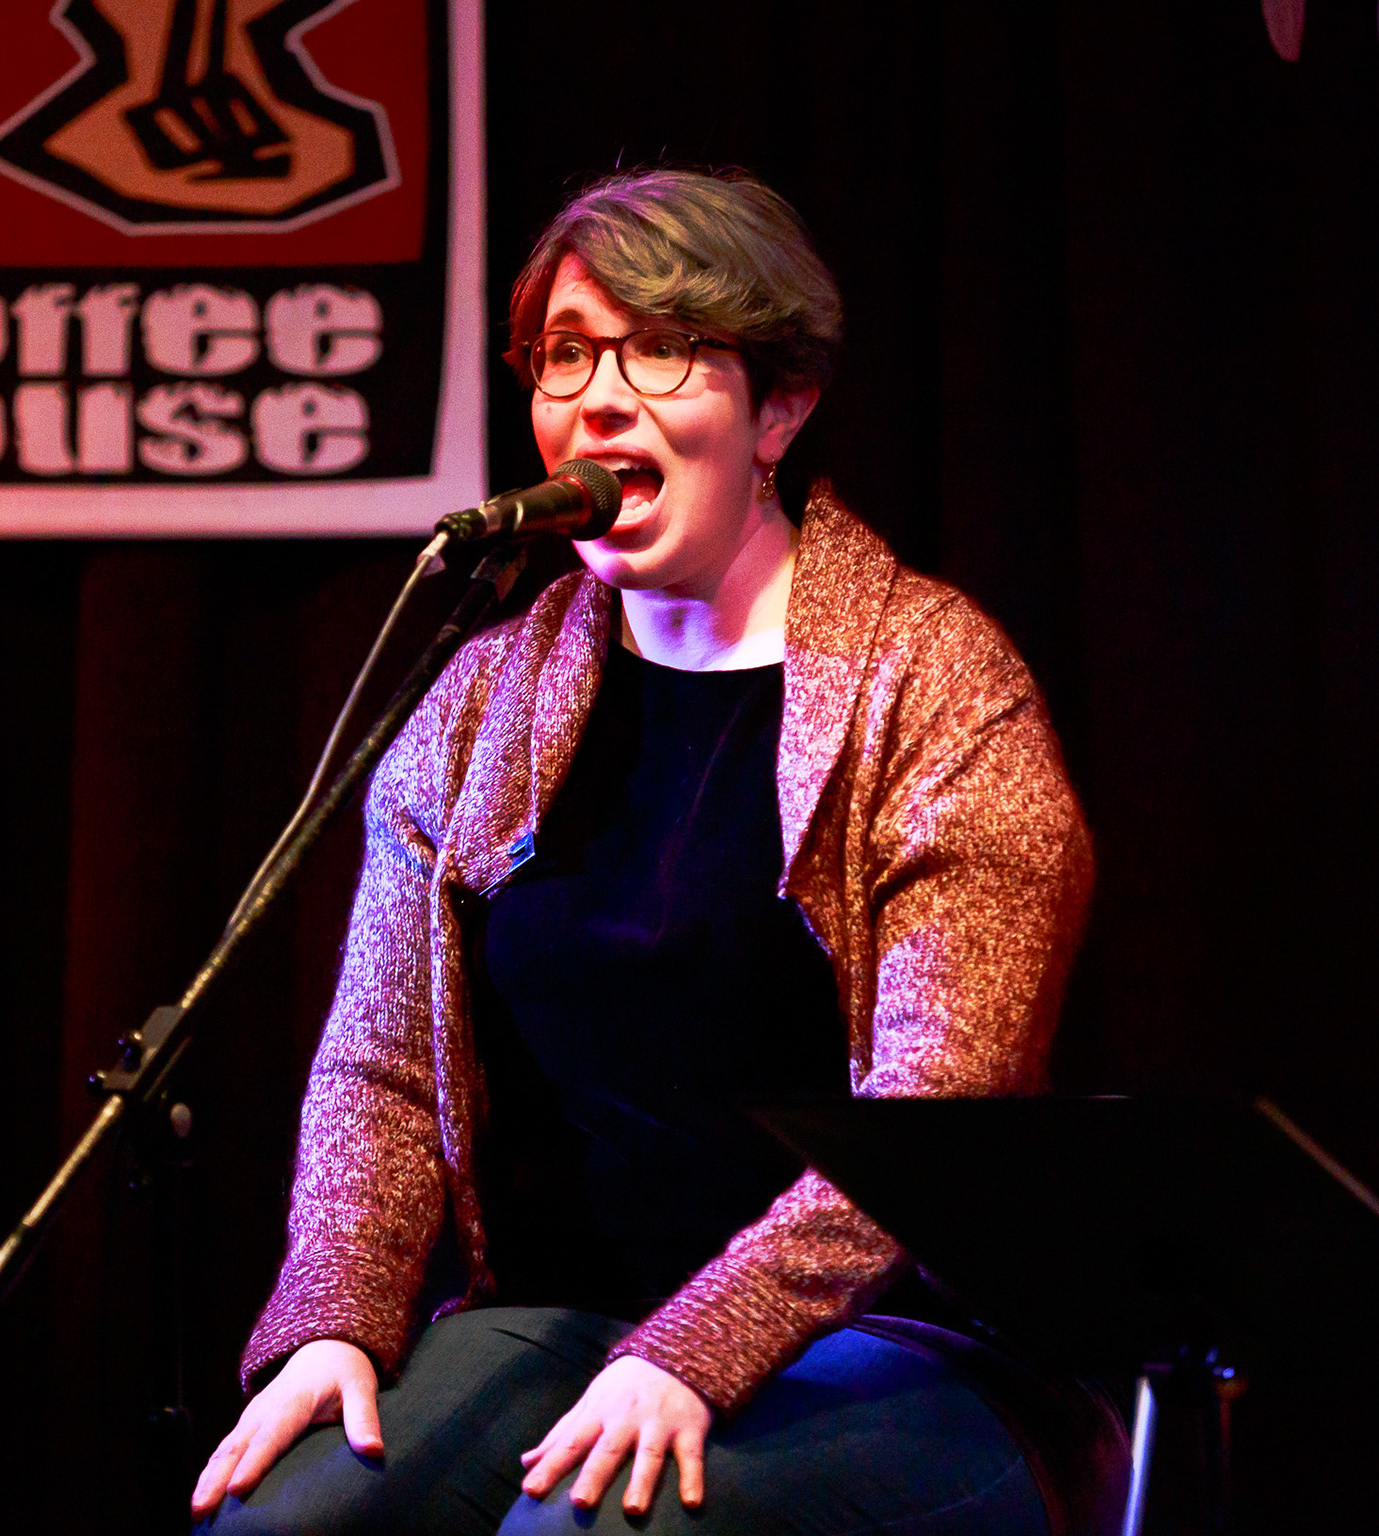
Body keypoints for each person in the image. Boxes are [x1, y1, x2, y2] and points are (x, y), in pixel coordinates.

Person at [190, 167, 1123, 1535]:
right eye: (567, 353)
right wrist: (336, 1317)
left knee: (590, 1531)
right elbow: (380, 1066)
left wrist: (694, 1349)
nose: (600, 398)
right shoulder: (486, 697)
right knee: (279, 1523)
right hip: (565, 1324)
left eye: (666, 349)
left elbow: (933, 1119)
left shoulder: (934, 684)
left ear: (780, 409)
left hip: (896, 1347)